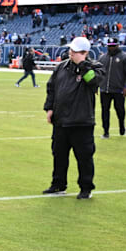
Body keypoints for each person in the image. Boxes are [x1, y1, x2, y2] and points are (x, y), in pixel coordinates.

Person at [43, 37, 104, 200]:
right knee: (59, 154)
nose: (71, 53)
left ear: (85, 53)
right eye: (71, 50)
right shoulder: (62, 67)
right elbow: (52, 88)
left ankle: (86, 188)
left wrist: (82, 65)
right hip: (61, 120)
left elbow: (93, 81)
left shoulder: (94, 67)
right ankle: (58, 184)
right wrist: (49, 108)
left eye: (76, 51)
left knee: (84, 156)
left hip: (81, 121)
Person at [98, 39, 126, 138]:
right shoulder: (102, 58)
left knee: (120, 110)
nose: (111, 48)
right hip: (104, 89)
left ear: (117, 45)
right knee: (105, 110)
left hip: (119, 89)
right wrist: (96, 85)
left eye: (113, 45)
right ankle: (106, 131)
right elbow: (98, 73)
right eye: (109, 45)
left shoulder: (125, 57)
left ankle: (121, 125)